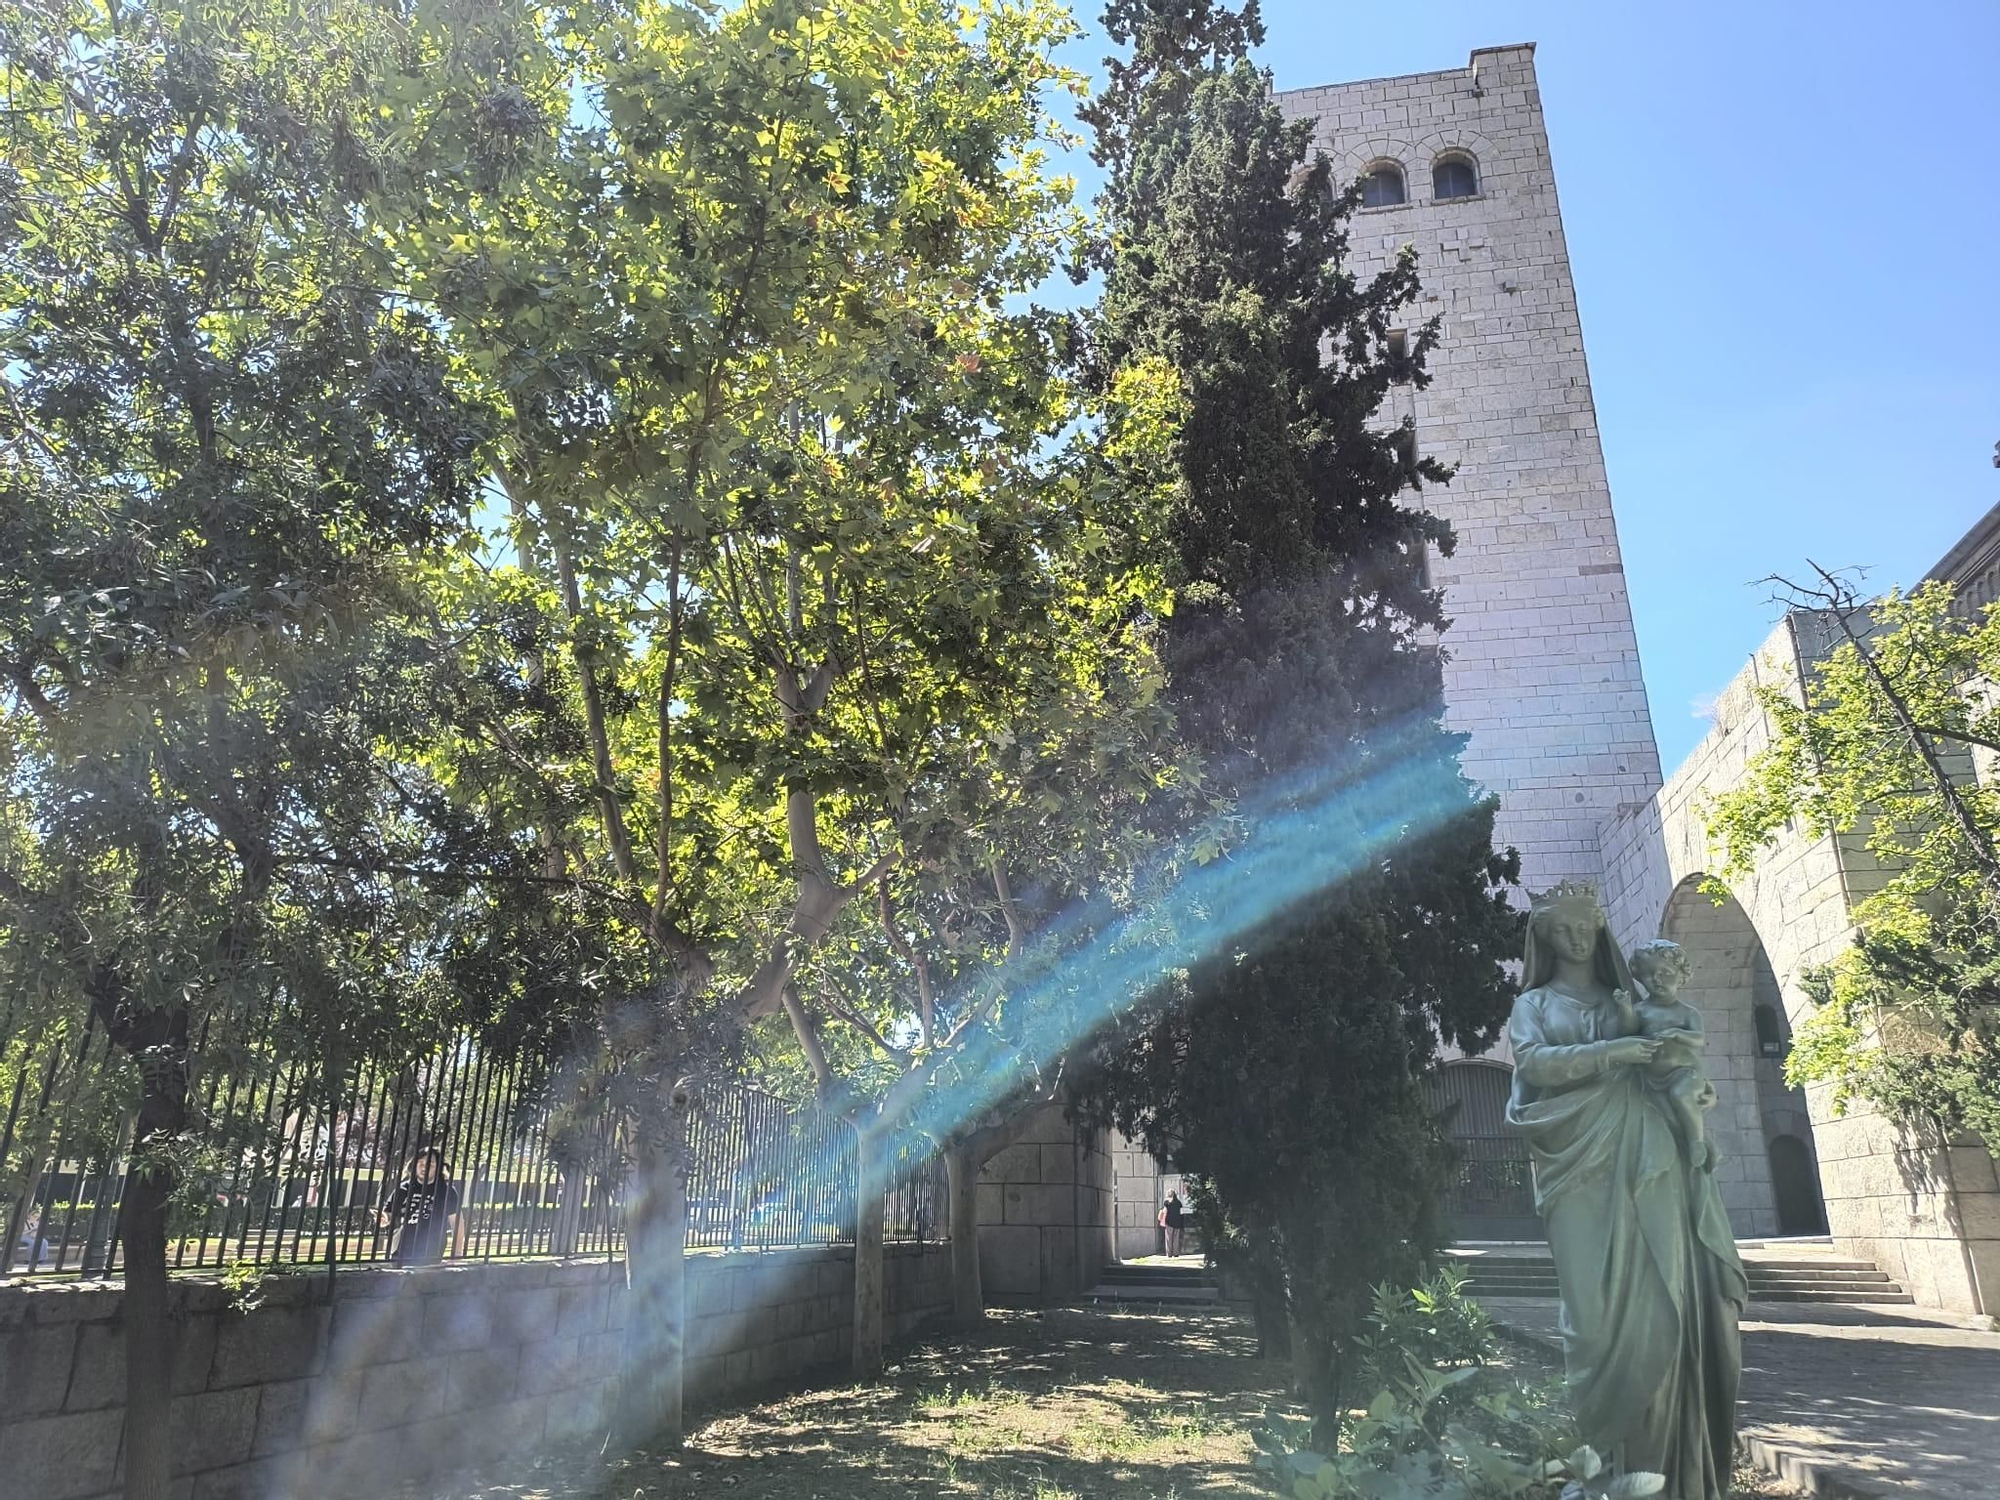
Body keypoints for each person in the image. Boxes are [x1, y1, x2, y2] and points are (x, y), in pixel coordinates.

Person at [1505, 882, 1746, 1500]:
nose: (1576, 938)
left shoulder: (1627, 1001)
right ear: (1544, 938)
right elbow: (1532, 1064)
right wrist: (1614, 1052)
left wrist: (1695, 1100)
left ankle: (1665, 1474)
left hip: (1647, 1152)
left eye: (1586, 926)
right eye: (1562, 930)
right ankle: (1600, 1472)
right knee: (1589, 1321)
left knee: (1663, 1299)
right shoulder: (1532, 1003)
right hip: (1572, 1159)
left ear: (1601, 930)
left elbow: (1675, 1060)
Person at [1627, 938, 1720, 1172]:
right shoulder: (1641, 1010)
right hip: (1650, 1079)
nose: (1657, 979)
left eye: (1665, 973)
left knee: (1681, 1096)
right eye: (1649, 975)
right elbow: (1626, 1033)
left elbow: (1699, 1039)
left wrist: (1677, 1034)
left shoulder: (1687, 1012)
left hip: (1684, 1074)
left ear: (1681, 975)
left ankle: (1697, 1143)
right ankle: (1709, 1147)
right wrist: (1622, 1008)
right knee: (1669, 1117)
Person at [376, 1148, 463, 1268]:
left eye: (430, 1164)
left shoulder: (446, 1191)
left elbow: (457, 1223)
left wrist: (457, 1254)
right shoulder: (403, 1188)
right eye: (420, 1163)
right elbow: (388, 1216)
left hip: (432, 1253)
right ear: (414, 1165)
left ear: (438, 1167)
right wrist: (383, 1219)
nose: (424, 1167)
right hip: (402, 1253)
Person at [1159, 1191, 1185, 1257]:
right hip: (1177, 1222)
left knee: (1168, 1238)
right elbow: (1181, 1213)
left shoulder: (1166, 1202)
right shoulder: (1179, 1203)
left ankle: (1169, 1254)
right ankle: (1175, 1253)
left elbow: (1165, 1211)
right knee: (1176, 1238)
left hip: (1169, 1222)